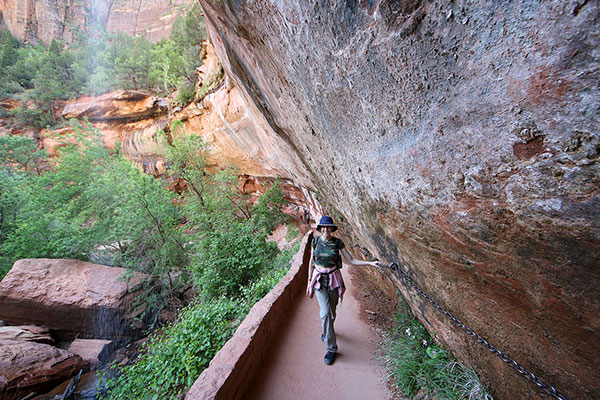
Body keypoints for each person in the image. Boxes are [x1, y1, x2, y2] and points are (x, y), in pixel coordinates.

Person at [306, 215, 380, 365]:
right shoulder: (315, 241)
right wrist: (309, 281)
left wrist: (370, 263)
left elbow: (351, 260)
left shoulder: (337, 243)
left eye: (329, 227)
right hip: (319, 280)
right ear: (320, 229)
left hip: (333, 279)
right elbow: (311, 262)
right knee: (326, 312)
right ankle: (331, 348)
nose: (326, 230)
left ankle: (326, 331)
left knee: (331, 313)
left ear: (332, 229)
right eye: (323, 227)